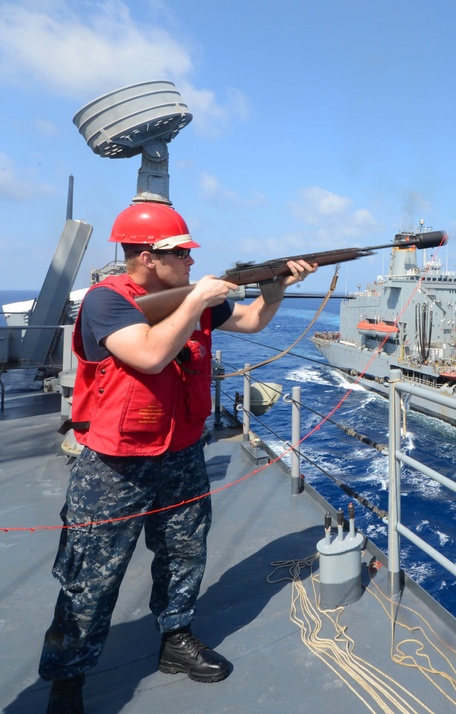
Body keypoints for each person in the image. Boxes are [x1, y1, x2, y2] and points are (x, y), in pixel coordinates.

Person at [39, 201, 316, 713]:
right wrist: (197, 300)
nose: (191, 263)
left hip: (182, 450)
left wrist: (276, 288)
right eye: (181, 254)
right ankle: (68, 679)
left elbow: (253, 321)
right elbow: (148, 354)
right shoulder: (106, 303)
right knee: (92, 572)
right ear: (147, 257)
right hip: (116, 462)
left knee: (184, 553)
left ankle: (175, 639)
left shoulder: (190, 298)